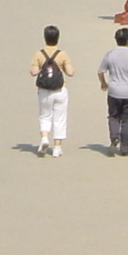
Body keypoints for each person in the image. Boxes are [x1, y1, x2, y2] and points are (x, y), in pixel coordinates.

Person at [29, 25, 74, 157]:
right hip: (60, 90)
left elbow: (33, 72)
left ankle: (44, 138)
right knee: (59, 118)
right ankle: (57, 148)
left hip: (44, 90)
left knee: (45, 116)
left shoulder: (39, 54)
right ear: (58, 38)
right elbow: (70, 72)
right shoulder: (62, 54)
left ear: (45, 38)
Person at [98, 26, 128, 156]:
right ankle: (125, 148)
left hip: (114, 91)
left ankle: (114, 136)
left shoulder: (110, 55)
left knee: (114, 116)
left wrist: (104, 83)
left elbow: (101, 71)